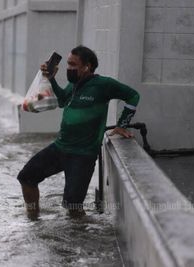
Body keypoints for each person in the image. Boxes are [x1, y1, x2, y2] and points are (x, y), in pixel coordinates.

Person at [17, 45, 140, 219]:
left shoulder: (103, 85)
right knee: (26, 177)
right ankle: (33, 220)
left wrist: (122, 125)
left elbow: (133, 96)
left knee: (73, 207)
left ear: (87, 66)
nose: (68, 68)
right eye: (68, 64)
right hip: (61, 147)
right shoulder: (73, 84)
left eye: (73, 65)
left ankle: (80, 238)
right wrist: (51, 79)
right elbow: (61, 101)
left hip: (82, 155)